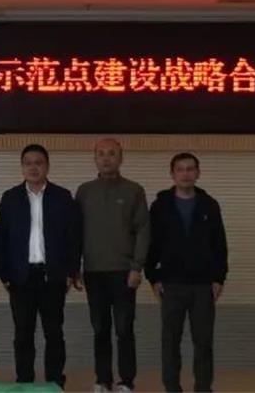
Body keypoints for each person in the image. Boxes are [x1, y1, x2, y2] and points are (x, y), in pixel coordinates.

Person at [0, 144, 82, 387]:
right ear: (22, 167)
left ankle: (55, 381)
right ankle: (24, 381)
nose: (33, 168)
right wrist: (4, 275)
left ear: (47, 166)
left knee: (54, 332)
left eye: (38, 163)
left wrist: (71, 271)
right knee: (23, 334)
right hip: (20, 277)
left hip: (52, 276)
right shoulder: (10, 198)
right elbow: (0, 239)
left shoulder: (62, 197)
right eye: (28, 163)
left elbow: (73, 237)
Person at [146, 153, 228, 393]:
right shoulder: (160, 206)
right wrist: (153, 277)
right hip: (171, 284)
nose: (185, 174)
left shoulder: (209, 205)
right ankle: (172, 387)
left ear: (198, 173)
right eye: (180, 169)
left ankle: (203, 388)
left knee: (203, 341)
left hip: (203, 285)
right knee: (170, 341)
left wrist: (218, 278)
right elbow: (152, 243)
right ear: (172, 174)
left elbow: (219, 244)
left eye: (190, 169)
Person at [75, 138, 150, 392]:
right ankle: (102, 380)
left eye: (112, 153)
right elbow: (75, 232)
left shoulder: (134, 190)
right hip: (94, 272)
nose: (106, 158)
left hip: (124, 272)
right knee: (100, 329)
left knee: (124, 329)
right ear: (95, 158)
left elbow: (143, 231)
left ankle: (126, 381)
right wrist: (75, 267)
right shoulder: (84, 192)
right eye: (101, 154)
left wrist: (137, 267)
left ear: (121, 158)